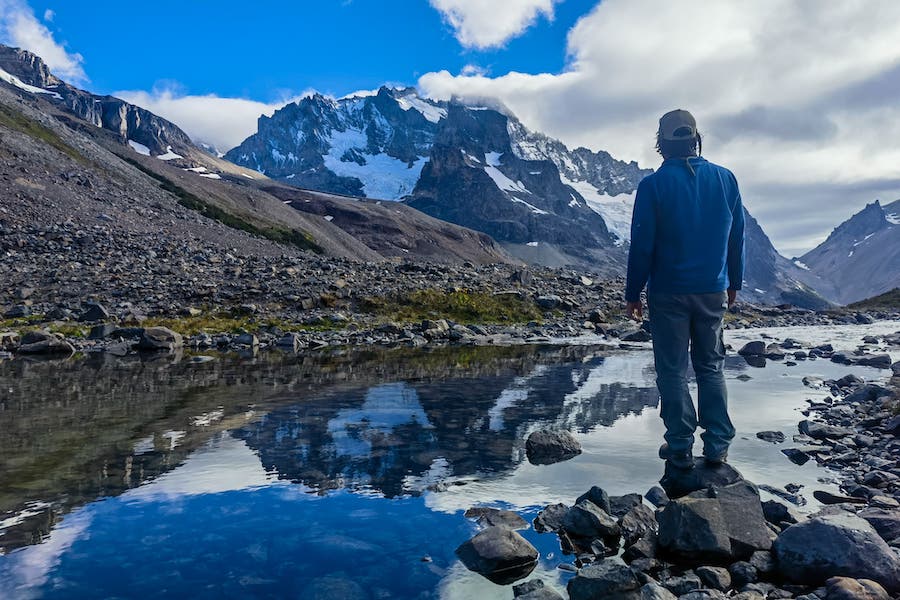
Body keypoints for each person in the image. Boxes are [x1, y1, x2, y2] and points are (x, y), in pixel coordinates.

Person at [624, 109, 745, 470]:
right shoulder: (726, 179)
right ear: (695, 138)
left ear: (662, 144)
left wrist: (634, 292)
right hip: (712, 290)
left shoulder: (652, 186)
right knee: (711, 366)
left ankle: (679, 445)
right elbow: (736, 238)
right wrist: (734, 282)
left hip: (668, 293)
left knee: (673, 370)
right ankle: (717, 445)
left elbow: (641, 245)